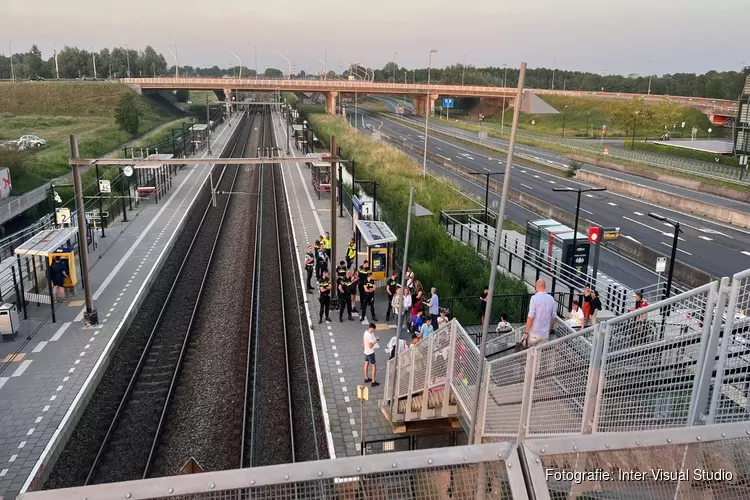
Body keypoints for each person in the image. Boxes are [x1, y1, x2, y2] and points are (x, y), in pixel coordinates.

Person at [524, 279, 557, 346]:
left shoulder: (534, 298)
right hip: (545, 334)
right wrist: (549, 329)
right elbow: (554, 317)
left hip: (535, 332)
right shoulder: (551, 299)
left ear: (536, 287)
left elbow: (531, 317)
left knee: (531, 353)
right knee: (539, 354)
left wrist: (526, 332)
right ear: (545, 287)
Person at [363, 323, 380, 387]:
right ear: (372, 328)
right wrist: (375, 341)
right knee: (374, 366)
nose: (374, 331)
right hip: (370, 352)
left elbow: (363, 342)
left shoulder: (365, 332)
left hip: (366, 351)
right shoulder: (369, 336)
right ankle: (373, 381)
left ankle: (366, 378)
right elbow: (370, 346)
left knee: (366, 363)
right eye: (374, 329)